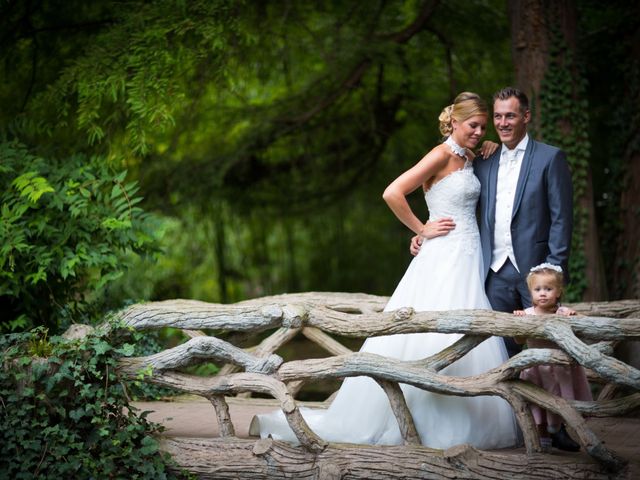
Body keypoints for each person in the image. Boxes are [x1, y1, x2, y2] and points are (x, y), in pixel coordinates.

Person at [250, 92, 519, 449]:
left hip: (468, 257)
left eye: (483, 126)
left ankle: (466, 417)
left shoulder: (470, 156)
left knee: (466, 332)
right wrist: (421, 229)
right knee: (429, 331)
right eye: (474, 125)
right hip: (443, 258)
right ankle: (415, 416)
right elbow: (393, 192)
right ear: (453, 122)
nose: (479, 131)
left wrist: (484, 144)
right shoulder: (439, 155)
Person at [411, 87, 574, 358]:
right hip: (490, 274)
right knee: (496, 353)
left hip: (537, 274)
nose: (502, 123)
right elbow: (456, 201)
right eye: (498, 117)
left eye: (510, 116)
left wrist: (552, 270)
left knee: (547, 351)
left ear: (526, 117)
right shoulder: (483, 161)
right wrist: (422, 232)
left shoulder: (550, 158)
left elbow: (561, 219)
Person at [515, 263, 592, 452]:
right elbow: (518, 340)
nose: (543, 293)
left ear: (558, 292)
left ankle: (558, 431)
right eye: (538, 289)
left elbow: (585, 326)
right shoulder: (527, 314)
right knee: (537, 402)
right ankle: (543, 441)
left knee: (560, 400)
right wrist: (518, 322)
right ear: (531, 292)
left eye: (548, 289)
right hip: (536, 367)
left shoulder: (562, 312)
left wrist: (575, 315)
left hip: (560, 368)